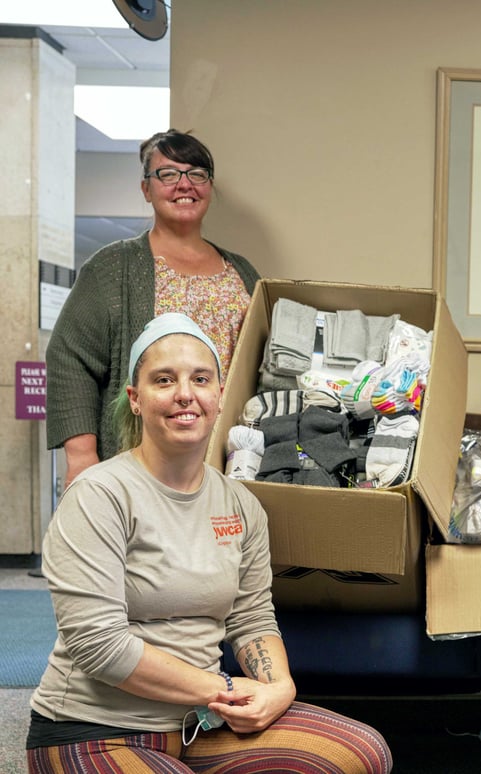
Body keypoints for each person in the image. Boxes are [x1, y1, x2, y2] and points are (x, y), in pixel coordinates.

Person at [27, 313, 393, 774]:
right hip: (92, 732)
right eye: (164, 380)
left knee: (362, 754)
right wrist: (220, 688)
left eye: (200, 379)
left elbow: (251, 617)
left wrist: (280, 689)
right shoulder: (99, 495)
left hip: (200, 727)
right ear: (136, 400)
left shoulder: (240, 505)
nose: (185, 393)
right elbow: (99, 644)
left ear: (219, 397)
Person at [47, 129, 262, 488]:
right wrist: (81, 455)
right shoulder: (112, 268)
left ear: (209, 186)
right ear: (146, 188)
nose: (184, 184)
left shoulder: (242, 272)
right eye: (167, 174)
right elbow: (71, 359)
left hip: (229, 462)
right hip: (143, 466)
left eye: (196, 174)